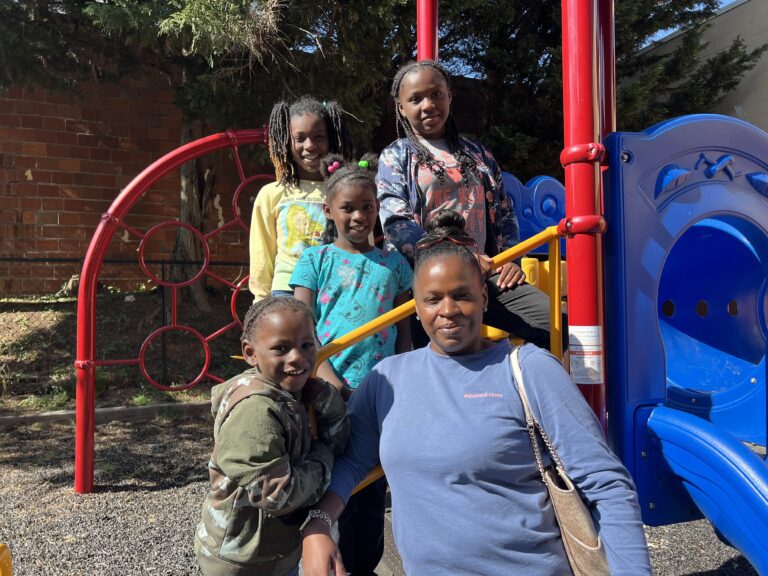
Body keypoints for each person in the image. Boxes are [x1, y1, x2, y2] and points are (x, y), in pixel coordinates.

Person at [300, 211, 651, 576]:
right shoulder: (387, 380)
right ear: (415, 307)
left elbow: (606, 484)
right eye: (433, 299)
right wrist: (317, 524)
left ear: (484, 296)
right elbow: (353, 461)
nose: (448, 311)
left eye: (462, 295)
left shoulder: (529, 369)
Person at [376, 59, 558, 350]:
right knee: (438, 356)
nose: (428, 104)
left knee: (558, 323)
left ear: (450, 95)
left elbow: (504, 212)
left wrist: (509, 259)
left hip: (484, 274)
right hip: (426, 281)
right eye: (415, 99)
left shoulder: (479, 154)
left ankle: (528, 384)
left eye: (436, 94)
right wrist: (456, 255)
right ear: (401, 108)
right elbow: (397, 224)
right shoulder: (396, 156)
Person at [290, 154, 412, 575]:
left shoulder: (395, 265)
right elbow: (303, 325)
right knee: (323, 475)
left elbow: (404, 331)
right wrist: (326, 378)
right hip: (323, 392)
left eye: (368, 207)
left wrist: (405, 377)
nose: (359, 216)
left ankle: (363, 564)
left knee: (369, 484)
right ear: (329, 211)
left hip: (378, 391)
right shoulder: (315, 260)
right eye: (348, 208)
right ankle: (317, 560)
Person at [194, 297, 349, 576]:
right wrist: (323, 457)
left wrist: (328, 400)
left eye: (307, 345)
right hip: (244, 559)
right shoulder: (255, 412)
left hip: (273, 550)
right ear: (251, 353)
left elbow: (340, 441)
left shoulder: (293, 392)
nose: (297, 357)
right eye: (281, 348)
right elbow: (277, 495)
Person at [249, 97, 351, 302]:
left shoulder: (345, 190)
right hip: (286, 293)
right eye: (300, 138)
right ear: (287, 141)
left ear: (331, 139)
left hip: (337, 291)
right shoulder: (272, 194)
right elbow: (263, 255)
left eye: (319, 137)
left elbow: (360, 243)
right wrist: (261, 302)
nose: (310, 145)